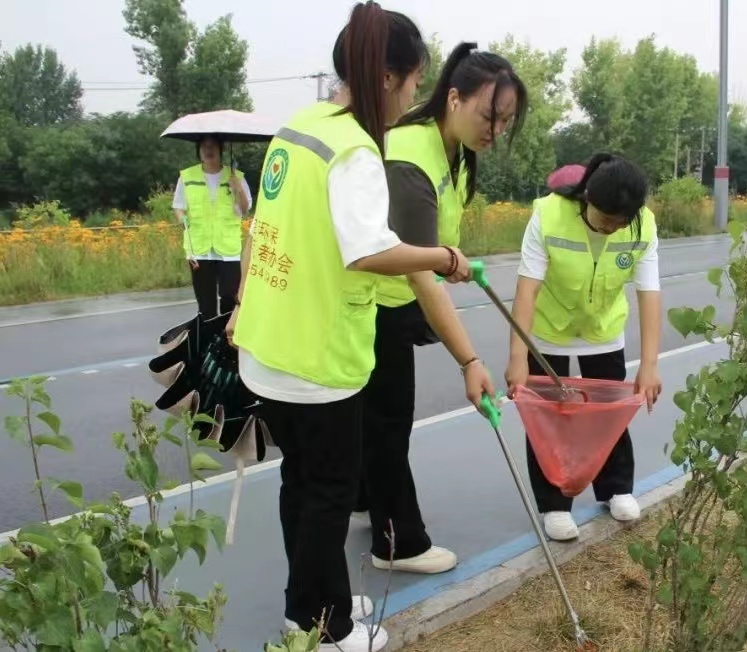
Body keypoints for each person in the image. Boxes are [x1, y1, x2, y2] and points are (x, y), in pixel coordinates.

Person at [227, 4, 472, 650]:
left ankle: (308, 603)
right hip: (317, 360)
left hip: (268, 346)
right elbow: (368, 252)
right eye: (415, 81)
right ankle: (327, 629)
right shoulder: (356, 151)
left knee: (301, 484)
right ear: (389, 76)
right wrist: (442, 257)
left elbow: (262, 231)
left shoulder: (300, 128)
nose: (413, 95)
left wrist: (239, 304)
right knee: (328, 495)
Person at [351, 41, 529, 575]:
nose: (495, 131)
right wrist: (470, 360)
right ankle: (397, 543)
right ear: (453, 98)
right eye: (488, 116)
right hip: (369, 306)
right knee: (388, 422)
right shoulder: (409, 156)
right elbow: (418, 269)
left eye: (506, 122)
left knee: (375, 418)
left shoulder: (453, 152)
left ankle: (364, 496)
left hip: (394, 301)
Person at [503, 153, 663, 541]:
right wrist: (517, 356)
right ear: (587, 198)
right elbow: (527, 288)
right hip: (548, 331)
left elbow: (649, 293)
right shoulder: (548, 214)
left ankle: (616, 488)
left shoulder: (643, 225)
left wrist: (650, 365)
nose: (611, 229)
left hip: (603, 330)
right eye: (604, 220)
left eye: (619, 223)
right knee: (549, 418)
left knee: (608, 415)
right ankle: (554, 505)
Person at [172, 135, 252, 318]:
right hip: (199, 248)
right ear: (199, 152)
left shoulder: (236, 177)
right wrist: (183, 220)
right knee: (205, 304)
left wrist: (238, 189)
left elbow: (245, 209)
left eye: (213, 147)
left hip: (228, 249)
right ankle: (207, 343)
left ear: (221, 150)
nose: (208, 151)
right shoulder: (187, 176)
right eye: (204, 147)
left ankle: (227, 343)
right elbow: (178, 206)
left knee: (229, 299)